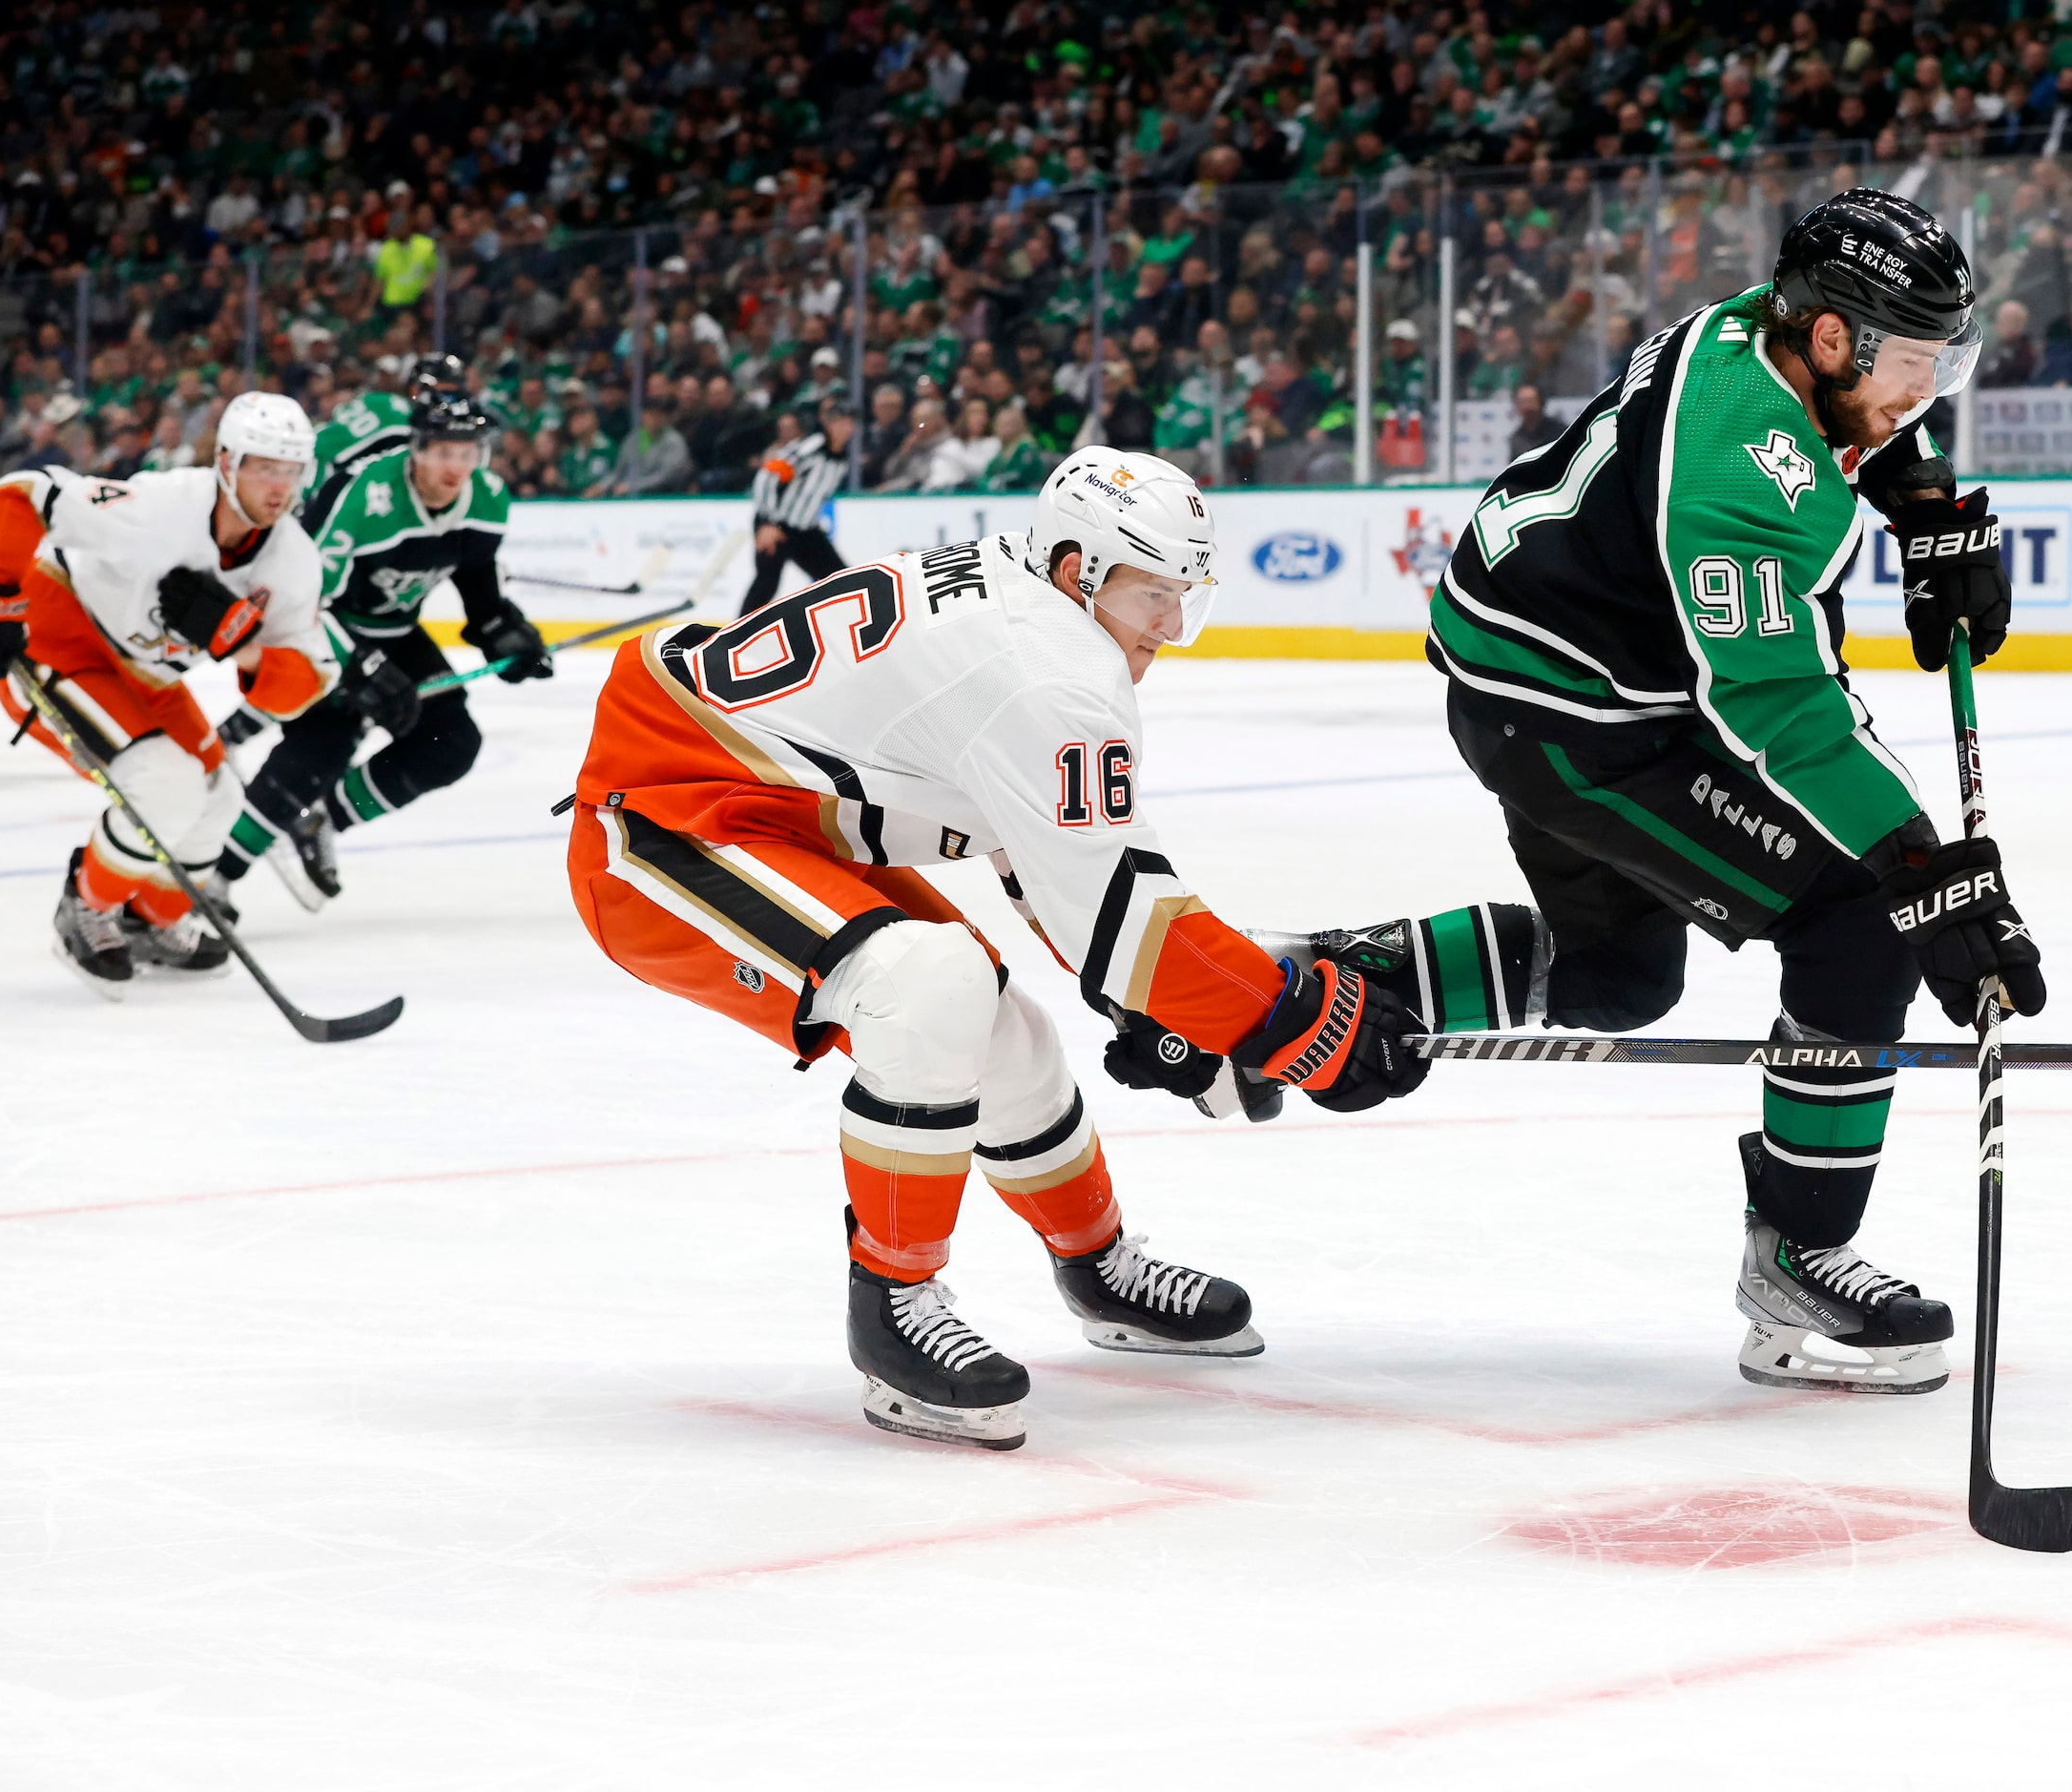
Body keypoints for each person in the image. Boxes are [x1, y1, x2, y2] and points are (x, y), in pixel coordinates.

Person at [562, 448, 1435, 1448]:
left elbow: (1063, 877)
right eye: (1152, 595)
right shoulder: (1050, 677)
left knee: (996, 1025)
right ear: (1078, 571)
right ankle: (891, 1304)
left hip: (763, 808)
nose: (1169, 629)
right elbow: (1120, 923)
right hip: (668, 822)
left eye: (1182, 597)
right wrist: (1287, 1026)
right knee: (928, 988)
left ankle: (1097, 1264)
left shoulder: (1029, 609)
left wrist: (1179, 1009)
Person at [1424, 189, 2042, 1398]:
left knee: (1620, 983)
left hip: (1545, 672)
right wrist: (1921, 871)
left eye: (1939, 360)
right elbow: (1780, 709)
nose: (1926, 389)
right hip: (1581, 721)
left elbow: (1863, 430)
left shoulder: (1766, 328)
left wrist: (1918, 506)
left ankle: (1319, 984)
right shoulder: (1738, 468)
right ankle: (1800, 1253)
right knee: (1862, 913)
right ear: (1829, 342)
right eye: (1913, 362)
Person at [0, 393, 335, 992]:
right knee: (163, 780)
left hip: (142, 673)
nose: (278, 486)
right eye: (264, 466)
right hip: (60, 638)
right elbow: (23, 492)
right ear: (227, 462)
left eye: (290, 470)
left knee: (220, 793)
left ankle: (151, 918)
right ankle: (87, 904)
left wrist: (242, 646)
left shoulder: (292, 562)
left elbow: (304, 683)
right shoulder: (163, 505)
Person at [215, 391, 542, 907]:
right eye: (443, 453)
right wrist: (360, 665)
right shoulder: (365, 494)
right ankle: (215, 877)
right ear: (416, 448)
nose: (456, 468)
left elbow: (479, 589)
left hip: (395, 633)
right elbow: (307, 598)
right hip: (325, 631)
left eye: (467, 453)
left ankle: (329, 816)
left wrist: (504, 632)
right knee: (320, 747)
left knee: (451, 744)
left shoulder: (489, 497)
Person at [303, 352, 470, 517]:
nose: (448, 402)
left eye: (454, 394)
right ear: (415, 389)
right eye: (443, 392)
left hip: (311, 465)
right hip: (316, 482)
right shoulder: (400, 419)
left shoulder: (379, 400)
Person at [740, 406, 857, 617]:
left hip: (805, 530)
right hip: (777, 526)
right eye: (840, 422)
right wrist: (767, 522)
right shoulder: (810, 449)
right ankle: (733, 638)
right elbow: (769, 474)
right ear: (828, 425)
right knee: (766, 584)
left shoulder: (841, 458)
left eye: (849, 422)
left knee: (841, 580)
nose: (845, 428)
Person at [1506, 384, 1565, 459]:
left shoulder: (1560, 432)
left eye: (1531, 401)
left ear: (1541, 403)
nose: (1527, 407)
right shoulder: (1517, 439)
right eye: (1522, 402)